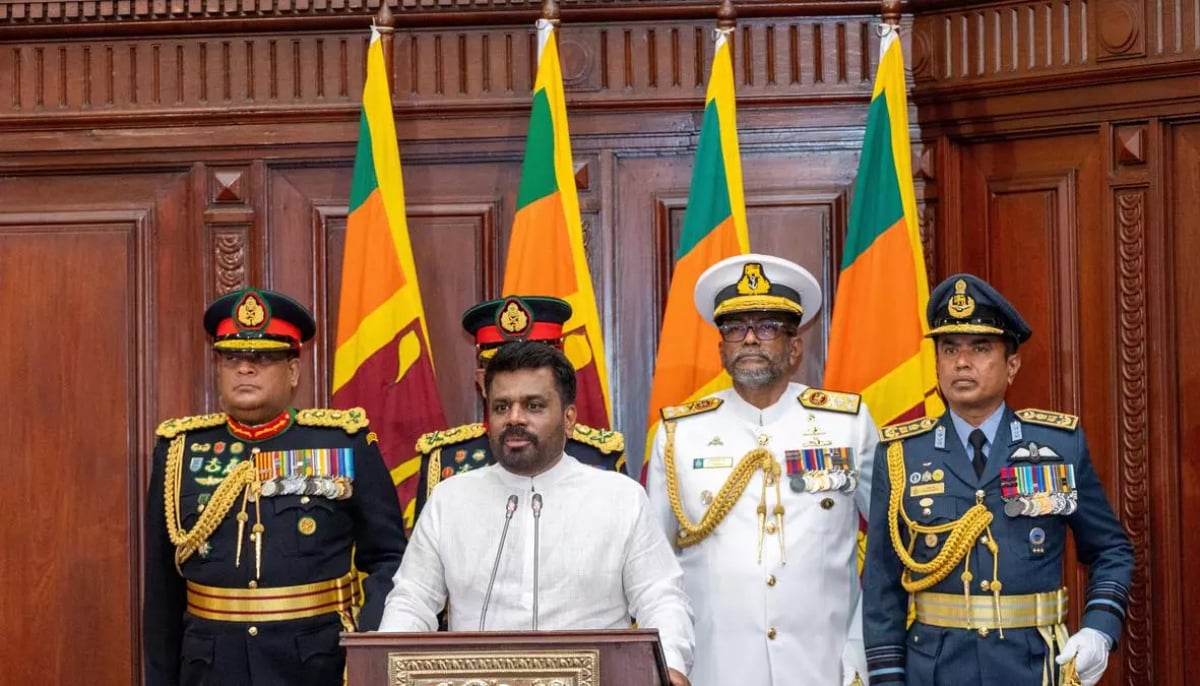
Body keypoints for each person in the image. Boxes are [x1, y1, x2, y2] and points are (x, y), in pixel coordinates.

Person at [862, 274, 1133, 686]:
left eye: (981, 348)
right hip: (934, 668)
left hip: (1032, 665)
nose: (962, 362)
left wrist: (1099, 628)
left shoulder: (1058, 444)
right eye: (949, 349)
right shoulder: (902, 453)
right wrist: (887, 677)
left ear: (1012, 366)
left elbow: (1110, 550)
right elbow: (882, 582)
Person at [380, 341, 695, 686]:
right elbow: (412, 601)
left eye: (533, 405)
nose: (514, 418)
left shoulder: (620, 498)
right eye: (501, 406)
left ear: (569, 418)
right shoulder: (450, 499)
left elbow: (660, 597)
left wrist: (671, 668)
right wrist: (385, 669)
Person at [144, 288, 407, 686]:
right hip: (211, 666)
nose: (244, 370)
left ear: (293, 372)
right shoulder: (179, 450)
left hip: (316, 664)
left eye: (263, 358)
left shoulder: (343, 443)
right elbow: (162, 588)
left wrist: (366, 642)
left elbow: (389, 557)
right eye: (231, 358)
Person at [645, 253, 879, 686]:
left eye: (767, 327)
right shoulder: (678, 434)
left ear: (794, 347)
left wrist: (859, 647)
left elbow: (887, 551)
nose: (750, 339)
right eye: (735, 329)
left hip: (824, 666)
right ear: (722, 349)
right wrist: (671, 660)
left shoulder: (846, 424)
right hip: (713, 668)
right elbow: (656, 567)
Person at [413, 295, 625, 519]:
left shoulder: (599, 457)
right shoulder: (445, 459)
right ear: (482, 382)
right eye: (502, 372)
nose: (516, 417)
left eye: (533, 404)